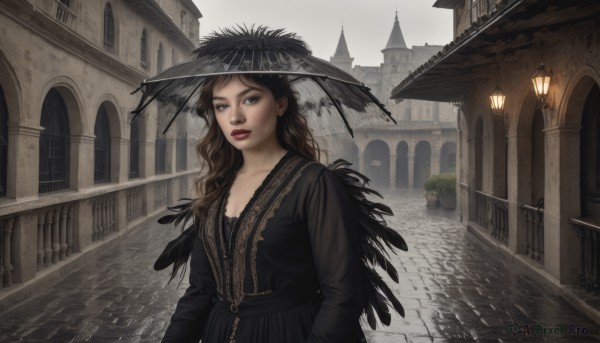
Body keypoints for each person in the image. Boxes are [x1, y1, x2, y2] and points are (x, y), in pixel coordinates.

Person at [162, 73, 365, 343]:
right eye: (221, 106)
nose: (234, 117)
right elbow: (200, 290)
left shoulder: (314, 183)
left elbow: (343, 294)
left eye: (250, 99)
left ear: (280, 104)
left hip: (288, 332)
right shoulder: (217, 188)